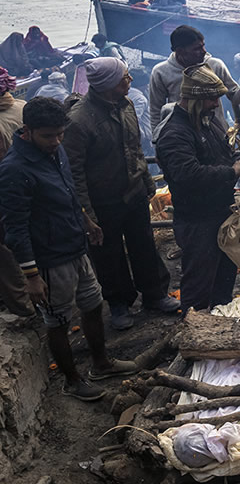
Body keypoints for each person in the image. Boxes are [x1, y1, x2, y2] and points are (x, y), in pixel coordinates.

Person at [0, 97, 137, 400]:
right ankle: (72, 380)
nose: (57, 141)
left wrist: (87, 221)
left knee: (92, 303)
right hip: (49, 258)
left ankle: (101, 363)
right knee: (58, 320)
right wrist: (32, 276)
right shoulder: (14, 170)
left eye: (60, 133)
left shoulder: (56, 151)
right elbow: (15, 229)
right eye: (48, 136)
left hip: (75, 244)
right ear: (28, 130)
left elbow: (69, 191)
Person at [63, 57, 178, 330]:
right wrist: (86, 214)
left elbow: (134, 148)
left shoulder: (126, 105)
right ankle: (118, 303)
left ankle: (154, 294)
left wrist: (147, 183)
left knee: (144, 246)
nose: (129, 81)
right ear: (108, 85)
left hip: (134, 192)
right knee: (108, 255)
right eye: (124, 77)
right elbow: (74, 173)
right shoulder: (78, 121)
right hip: (103, 200)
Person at [155, 66, 240, 311]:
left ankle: (221, 325)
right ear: (194, 98)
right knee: (198, 283)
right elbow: (188, 175)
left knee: (225, 277)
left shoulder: (207, 122)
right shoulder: (175, 133)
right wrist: (231, 172)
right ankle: (191, 333)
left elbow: (225, 153)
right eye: (212, 98)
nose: (216, 104)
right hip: (197, 220)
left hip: (221, 213)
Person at [149, 25, 240, 130]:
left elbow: (235, 98)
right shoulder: (161, 72)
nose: (204, 51)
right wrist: (158, 139)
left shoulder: (215, 65)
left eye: (203, 46)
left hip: (216, 134)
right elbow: (155, 111)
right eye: (197, 48)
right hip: (182, 135)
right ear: (180, 51)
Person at [0, 67, 32, 318]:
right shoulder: (24, 107)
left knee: (6, 249)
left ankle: (23, 305)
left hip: (8, 190)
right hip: (36, 183)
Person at [127, 66, 153, 155]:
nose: (147, 86)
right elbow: (134, 120)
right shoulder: (140, 99)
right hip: (142, 142)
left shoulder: (127, 93)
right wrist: (143, 138)